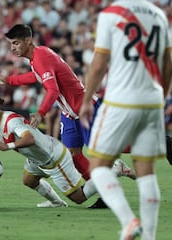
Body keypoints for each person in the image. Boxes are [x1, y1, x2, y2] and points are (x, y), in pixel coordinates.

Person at [0, 24, 135, 208]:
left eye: (16, 43)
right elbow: (35, 77)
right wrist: (8, 80)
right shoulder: (37, 58)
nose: (12, 48)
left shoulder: (41, 57)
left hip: (84, 108)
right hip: (69, 113)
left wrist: (41, 113)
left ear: (28, 40)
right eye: (11, 44)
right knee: (73, 154)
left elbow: (53, 90)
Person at [79, 1, 172, 239]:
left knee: (98, 166)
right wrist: (159, 96)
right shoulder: (159, 14)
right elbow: (167, 64)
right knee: (147, 171)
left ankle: (129, 220)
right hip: (152, 100)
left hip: (121, 99)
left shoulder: (111, 14)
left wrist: (87, 99)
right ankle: (150, 236)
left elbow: (99, 63)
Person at [0, 97, 100, 208]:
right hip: (36, 159)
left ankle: (114, 170)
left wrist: (7, 146)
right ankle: (57, 203)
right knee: (29, 180)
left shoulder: (11, 121)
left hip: (54, 157)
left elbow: (29, 138)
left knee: (79, 198)